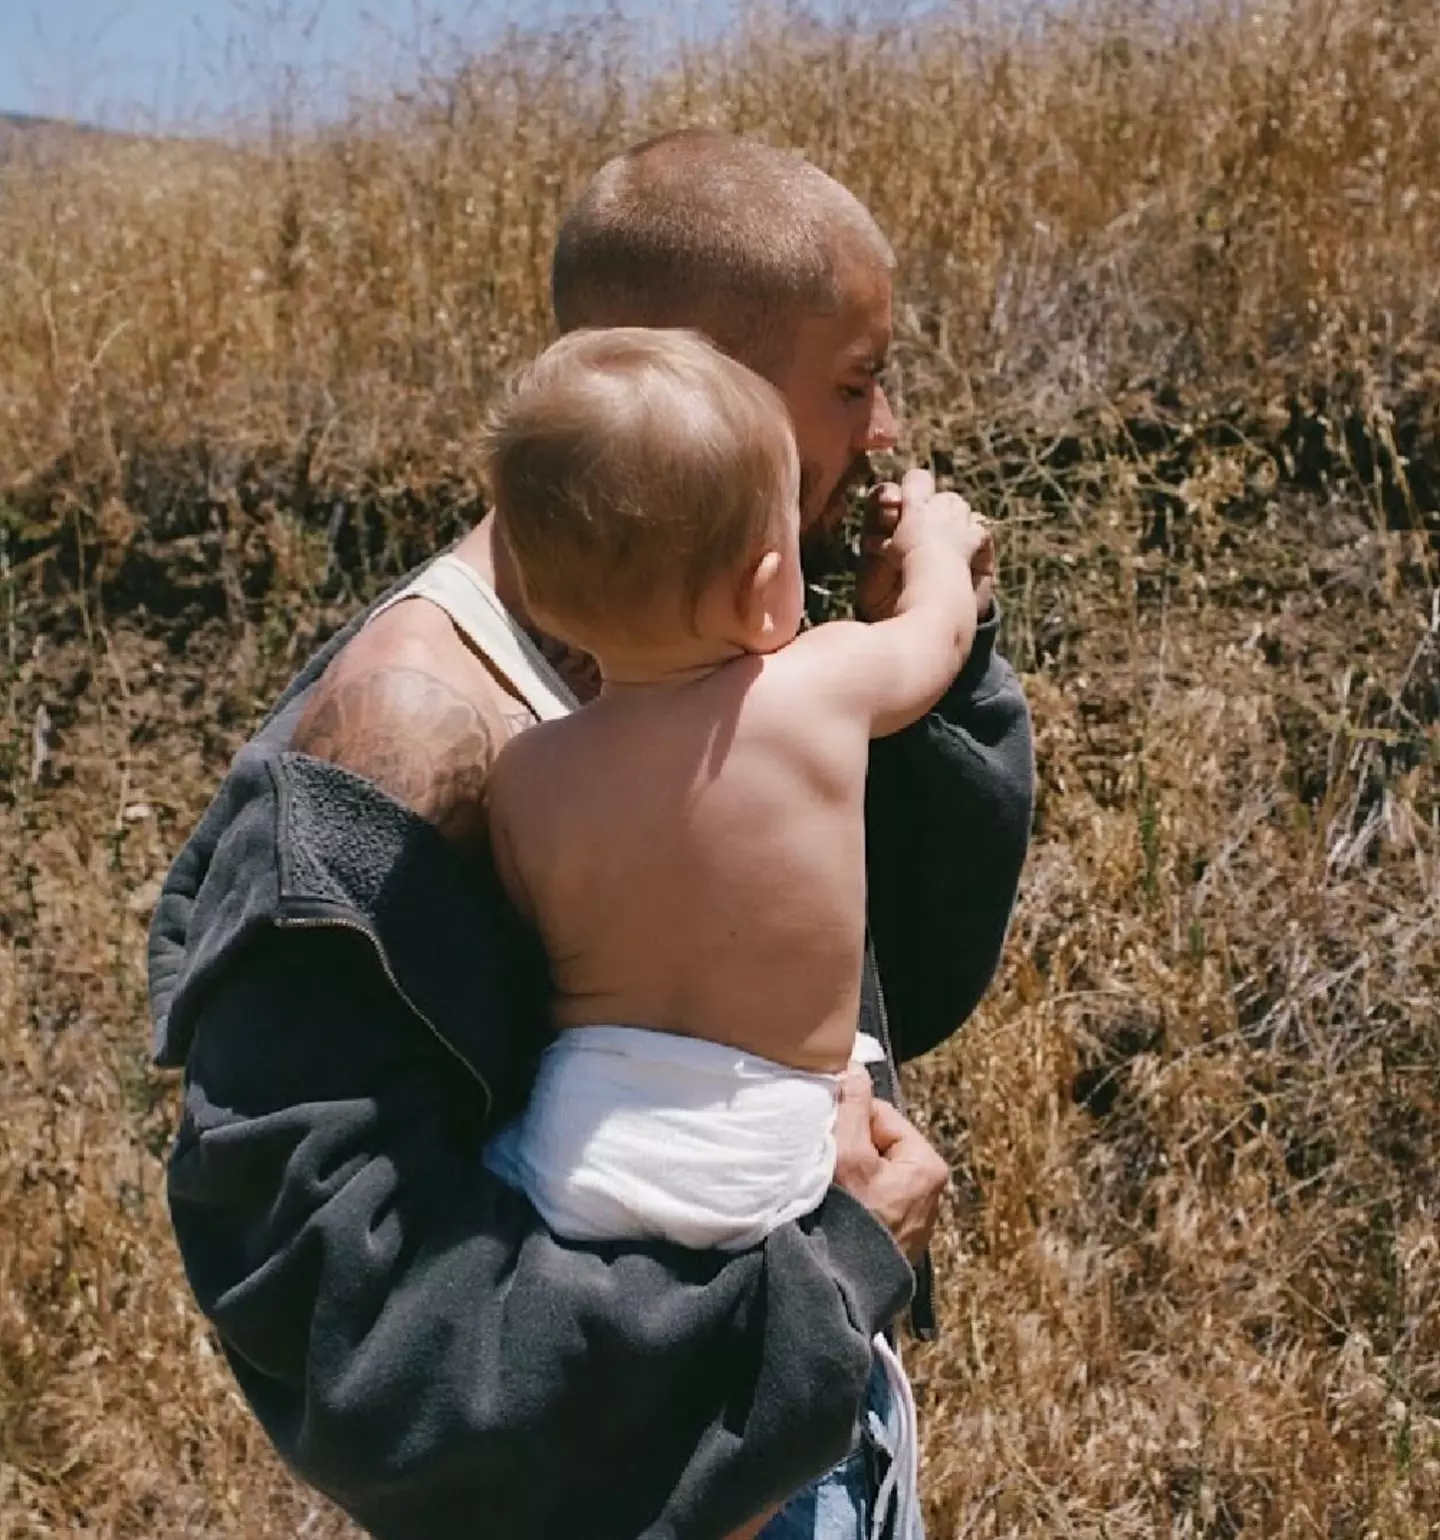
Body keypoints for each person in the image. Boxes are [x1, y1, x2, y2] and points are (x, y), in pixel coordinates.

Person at [148, 130, 1035, 1540]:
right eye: (858, 383)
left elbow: (905, 968)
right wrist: (822, 1275)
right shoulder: (406, 738)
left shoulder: (695, 654)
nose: (889, 435)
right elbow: (364, 1348)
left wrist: (905, 669)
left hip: (798, 1446)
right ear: (695, 383)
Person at [477, 325, 992, 1540]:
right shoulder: (817, 687)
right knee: (795, 1428)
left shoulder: (523, 775)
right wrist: (937, 548)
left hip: (576, 1167)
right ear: (771, 585)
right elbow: (939, 639)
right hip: (777, 1160)